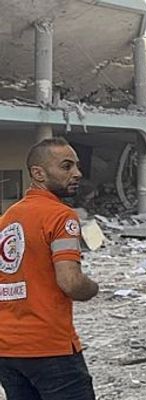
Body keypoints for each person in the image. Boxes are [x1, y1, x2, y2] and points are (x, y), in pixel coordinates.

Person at [0, 137, 99, 400]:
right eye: (66, 166)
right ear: (38, 173)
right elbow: (71, 282)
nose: (77, 173)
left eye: (77, 166)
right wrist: (92, 288)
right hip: (49, 347)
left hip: (7, 349)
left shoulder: (8, 218)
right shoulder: (61, 216)